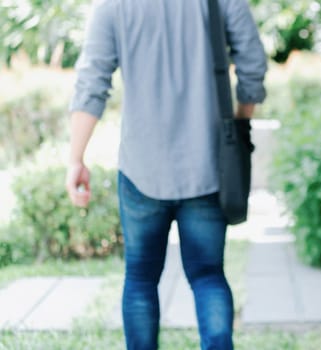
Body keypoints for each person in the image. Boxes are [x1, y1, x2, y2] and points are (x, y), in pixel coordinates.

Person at [65, 0, 267, 348]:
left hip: (142, 168)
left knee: (141, 279)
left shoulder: (113, 6)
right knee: (208, 276)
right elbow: (253, 64)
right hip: (208, 166)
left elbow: (91, 83)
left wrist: (75, 159)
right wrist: (240, 120)